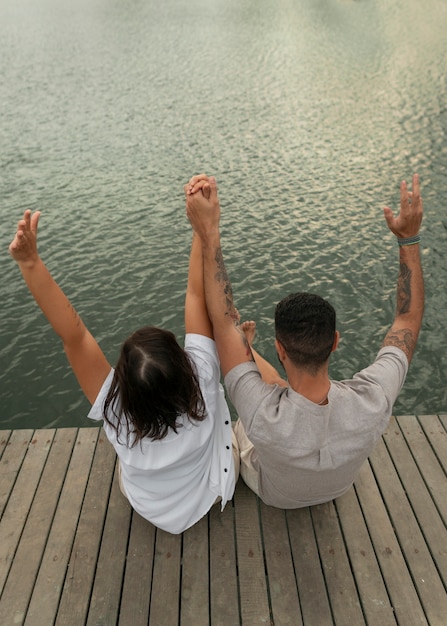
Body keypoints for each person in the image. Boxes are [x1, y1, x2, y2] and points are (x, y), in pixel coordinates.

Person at [185, 173, 424, 508]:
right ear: (335, 341)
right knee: (277, 388)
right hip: (336, 489)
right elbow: (407, 320)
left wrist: (208, 230)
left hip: (276, 495)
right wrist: (409, 239)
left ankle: (248, 349)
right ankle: (247, 350)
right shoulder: (374, 399)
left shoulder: (260, 414)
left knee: (248, 417)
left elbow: (222, 324)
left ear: (280, 349)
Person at [9, 208, 238, 534]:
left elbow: (74, 336)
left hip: (148, 505)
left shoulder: (113, 409)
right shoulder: (203, 375)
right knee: (232, 447)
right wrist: (201, 227)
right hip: (206, 498)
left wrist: (29, 262)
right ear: (182, 362)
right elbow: (196, 294)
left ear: (124, 387)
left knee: (124, 472)